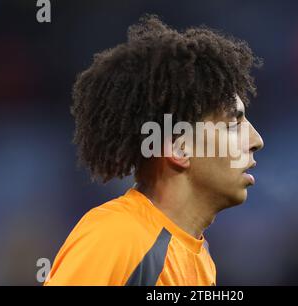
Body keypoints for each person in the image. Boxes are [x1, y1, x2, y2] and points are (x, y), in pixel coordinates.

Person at [45, 15, 264, 286]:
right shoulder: (119, 237)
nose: (256, 140)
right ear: (178, 147)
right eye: (233, 124)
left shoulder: (201, 261)